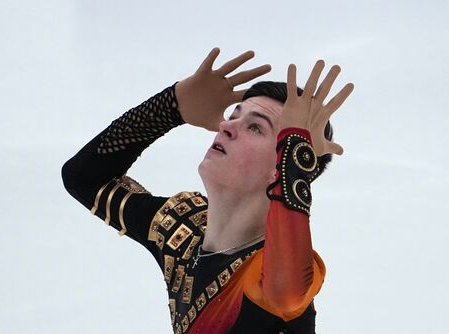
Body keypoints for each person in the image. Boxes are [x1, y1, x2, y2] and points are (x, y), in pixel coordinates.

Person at [61, 47, 354, 333]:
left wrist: (294, 154)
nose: (227, 126)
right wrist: (168, 108)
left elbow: (285, 293)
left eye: (255, 128)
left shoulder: (274, 271)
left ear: (279, 168)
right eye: (235, 114)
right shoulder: (181, 229)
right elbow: (83, 178)